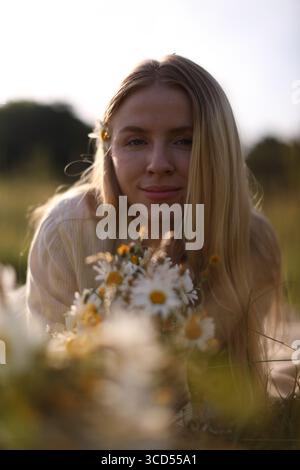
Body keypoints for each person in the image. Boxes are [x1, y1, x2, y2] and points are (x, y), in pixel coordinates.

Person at [26, 54, 298, 410]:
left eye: (184, 141)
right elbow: (49, 392)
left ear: (219, 149)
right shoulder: (67, 232)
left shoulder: (252, 242)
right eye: (136, 141)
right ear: (110, 148)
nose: (158, 165)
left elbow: (232, 394)